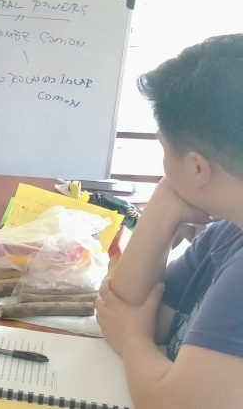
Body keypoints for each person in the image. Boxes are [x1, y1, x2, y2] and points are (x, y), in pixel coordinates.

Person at [95, 34, 243, 408]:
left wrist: (133, 340)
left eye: (163, 148)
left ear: (197, 167)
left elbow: (174, 403)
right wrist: (163, 205)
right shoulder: (229, 230)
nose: (163, 165)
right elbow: (130, 309)